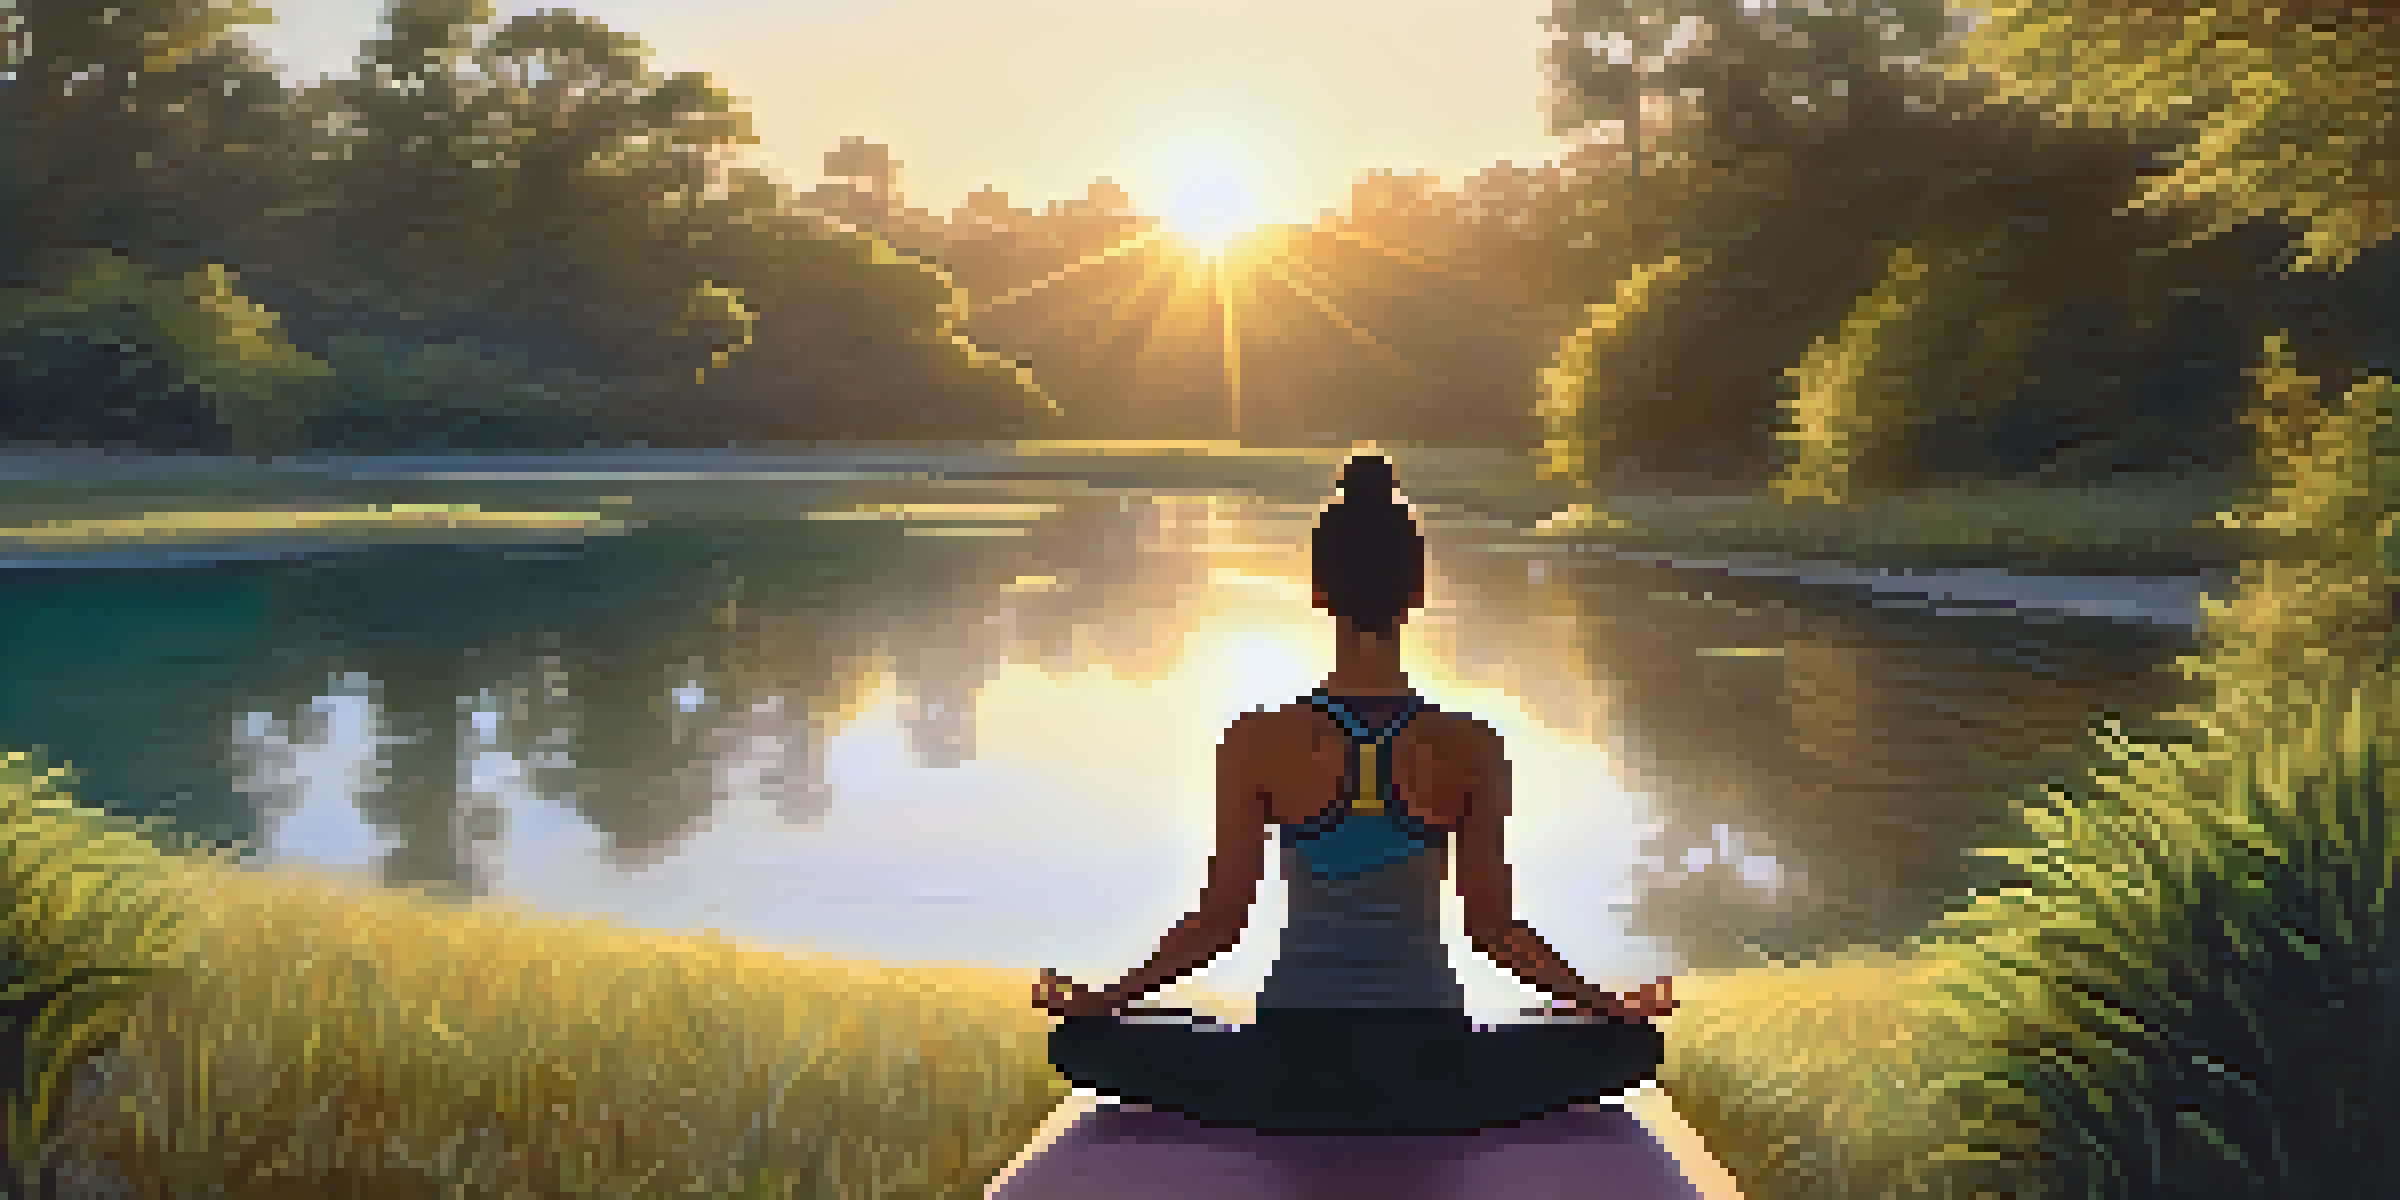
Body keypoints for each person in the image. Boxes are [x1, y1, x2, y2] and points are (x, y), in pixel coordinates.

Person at [1033, 452, 1677, 1136]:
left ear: (1318, 590)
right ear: (1417, 592)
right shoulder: (1469, 746)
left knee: (1083, 1043)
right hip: (1431, 1075)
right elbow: (1495, 933)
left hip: (1288, 1074)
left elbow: (1218, 926)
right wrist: (1606, 1006)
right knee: (1631, 1047)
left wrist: (1106, 999)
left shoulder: (1258, 740)